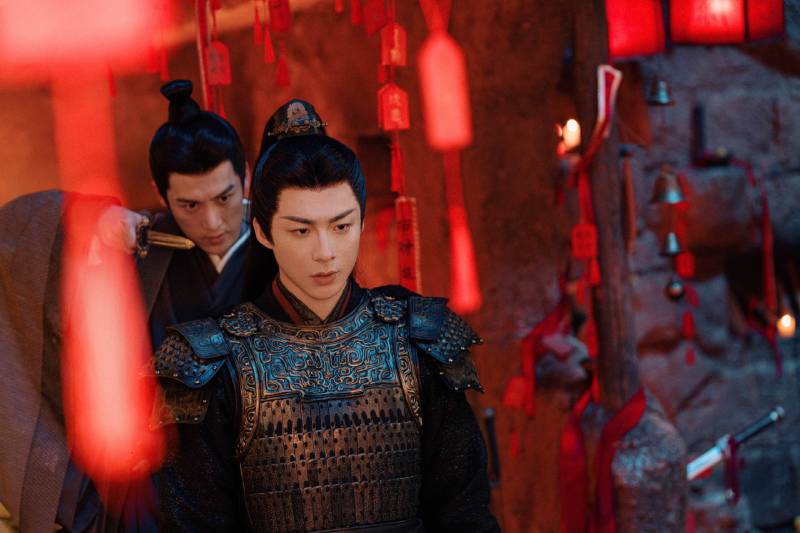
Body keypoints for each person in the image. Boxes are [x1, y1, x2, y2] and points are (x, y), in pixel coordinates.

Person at [152, 101, 500, 532]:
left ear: (361, 222)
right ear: (263, 232)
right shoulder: (212, 360)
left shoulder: (419, 337)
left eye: (341, 226)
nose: (326, 252)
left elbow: (464, 511)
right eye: (301, 230)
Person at [0, 79, 257, 532]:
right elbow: (13, 234)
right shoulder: (144, 246)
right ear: (161, 195)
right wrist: (90, 216)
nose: (212, 221)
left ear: (246, 177)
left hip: (256, 478)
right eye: (189, 205)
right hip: (157, 488)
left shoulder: (278, 242)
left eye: (225, 197)